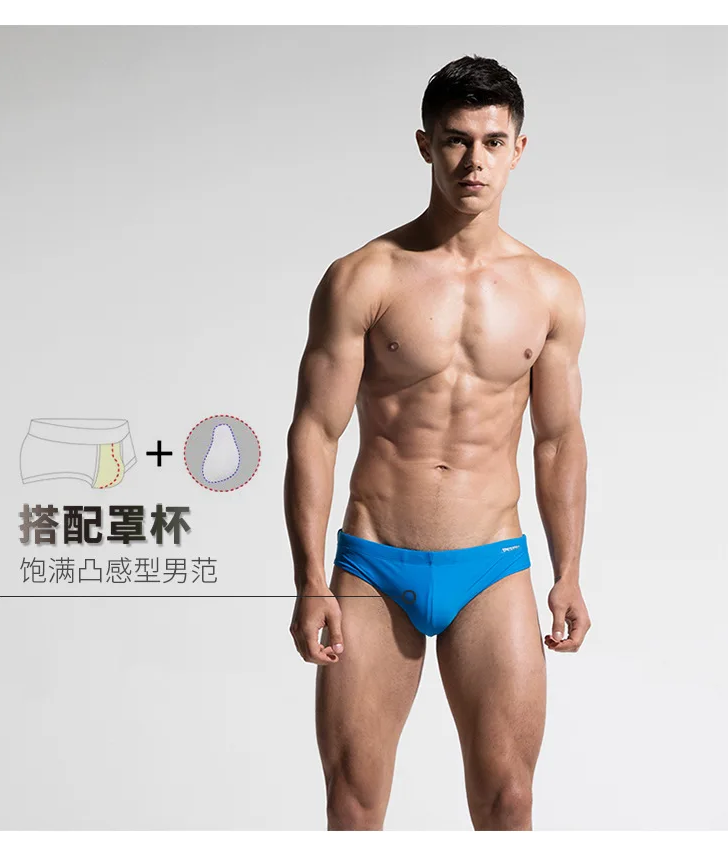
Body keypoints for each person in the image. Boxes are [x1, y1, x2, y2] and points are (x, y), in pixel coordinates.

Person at [284, 54, 591, 831]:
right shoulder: (363, 277)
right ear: (425, 145)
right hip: (374, 563)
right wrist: (311, 577)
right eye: (456, 140)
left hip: (491, 564)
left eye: (492, 142)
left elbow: (557, 440)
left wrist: (569, 570)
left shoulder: (550, 290)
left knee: (508, 801)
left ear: (519, 149)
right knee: (353, 805)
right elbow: (315, 432)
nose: (473, 161)